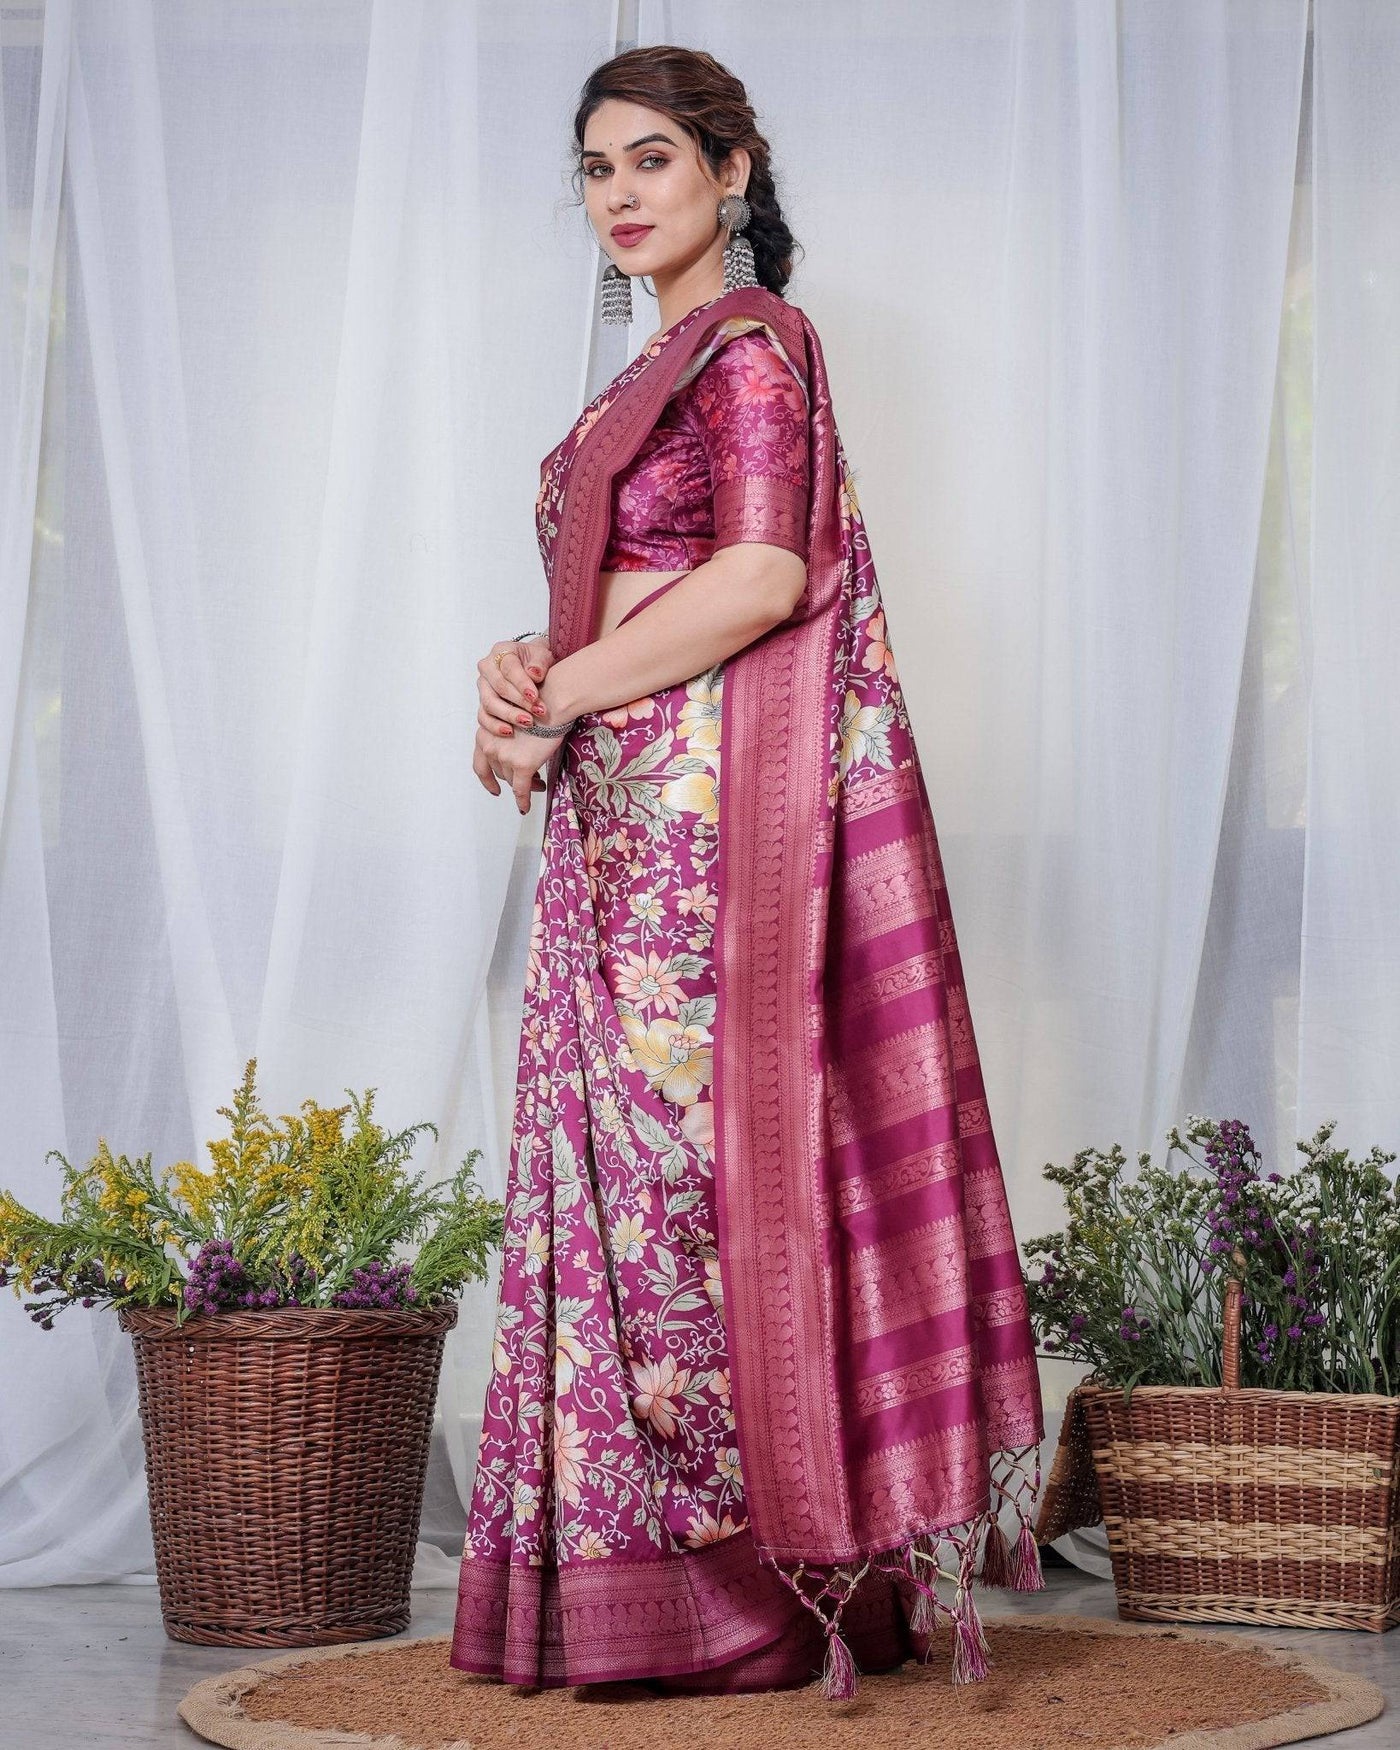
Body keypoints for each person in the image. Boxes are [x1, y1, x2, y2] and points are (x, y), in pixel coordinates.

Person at [451, 44, 1045, 1703]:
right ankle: (644, 1575)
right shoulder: (631, 387)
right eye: (597, 169)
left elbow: (767, 571)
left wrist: (563, 685)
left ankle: (760, 1590)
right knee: (629, 1197)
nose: (623, 195)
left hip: (713, 851)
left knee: (698, 1195)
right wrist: (523, 674)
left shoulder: (756, 347)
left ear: (732, 170)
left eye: (654, 160)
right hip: (622, 828)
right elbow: (627, 602)